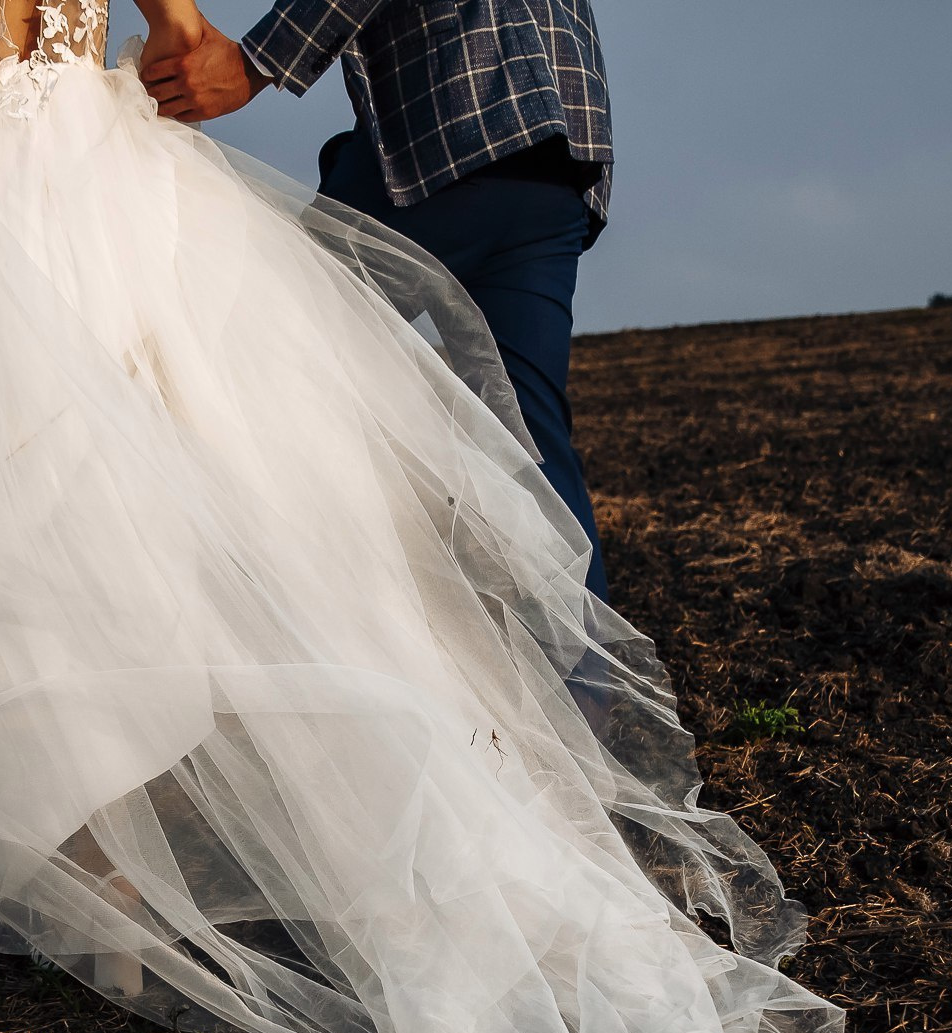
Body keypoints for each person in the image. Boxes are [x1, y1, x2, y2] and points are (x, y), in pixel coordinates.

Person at [0, 0, 845, 1033]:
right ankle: (416, 792)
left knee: (30, 530)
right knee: (211, 505)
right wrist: (187, 48)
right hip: (122, 162)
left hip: (0, 189)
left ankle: (109, 879)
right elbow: (169, 23)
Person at [140, 0, 614, 600]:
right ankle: (590, 686)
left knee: (261, 360)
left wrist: (252, 63)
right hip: (558, 157)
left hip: (455, 122)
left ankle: (237, 622)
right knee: (532, 444)